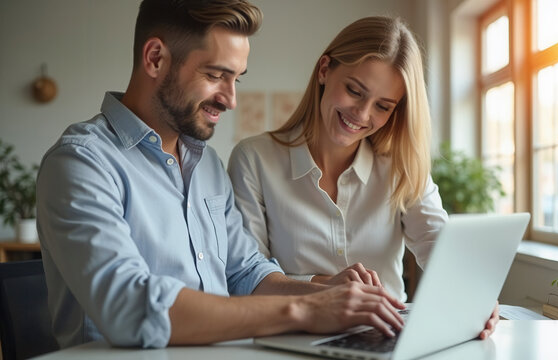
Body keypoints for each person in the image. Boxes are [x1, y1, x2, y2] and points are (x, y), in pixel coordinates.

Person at [36, 0, 406, 350]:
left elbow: (246, 273)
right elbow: (130, 309)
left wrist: (335, 297)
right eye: (216, 75)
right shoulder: (81, 163)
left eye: (237, 80)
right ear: (155, 58)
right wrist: (307, 310)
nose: (230, 99)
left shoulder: (207, 165)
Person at [227, 16, 499, 339]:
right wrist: (323, 287)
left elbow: (437, 242)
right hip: (294, 339)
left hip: (387, 337)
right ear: (324, 70)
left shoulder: (400, 166)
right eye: (355, 91)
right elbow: (246, 279)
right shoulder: (254, 160)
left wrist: (473, 291)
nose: (362, 114)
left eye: (383, 107)